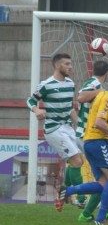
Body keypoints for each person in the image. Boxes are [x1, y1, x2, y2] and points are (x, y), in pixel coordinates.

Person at [55, 69, 108, 225]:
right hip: (98, 141)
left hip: (89, 141)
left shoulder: (102, 94)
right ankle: (101, 219)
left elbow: (97, 113)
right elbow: (99, 122)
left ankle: (67, 191)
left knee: (103, 184)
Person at [27, 53, 84, 197]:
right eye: (67, 64)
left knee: (78, 161)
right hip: (53, 129)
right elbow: (30, 101)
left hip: (67, 127)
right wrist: (37, 109)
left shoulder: (70, 84)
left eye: (71, 64)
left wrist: (79, 125)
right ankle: (82, 199)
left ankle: (63, 192)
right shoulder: (46, 85)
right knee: (76, 159)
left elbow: (69, 107)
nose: (70, 67)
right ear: (58, 66)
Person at [74, 60, 108, 222]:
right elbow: (81, 97)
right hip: (90, 135)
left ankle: (90, 213)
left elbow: (96, 109)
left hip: (90, 136)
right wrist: (101, 91)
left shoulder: (98, 88)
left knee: (104, 181)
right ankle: (103, 214)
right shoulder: (94, 84)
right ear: (106, 74)